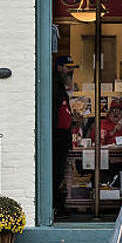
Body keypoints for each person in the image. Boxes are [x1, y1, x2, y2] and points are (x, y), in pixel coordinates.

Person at [52, 55, 74, 213]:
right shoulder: (54, 85)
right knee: (56, 172)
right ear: (59, 68)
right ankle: (55, 204)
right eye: (68, 67)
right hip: (56, 138)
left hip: (62, 137)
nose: (70, 71)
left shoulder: (60, 85)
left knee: (60, 172)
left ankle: (58, 204)